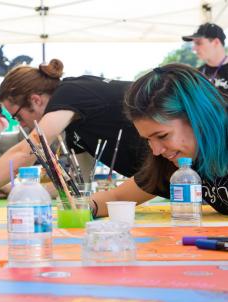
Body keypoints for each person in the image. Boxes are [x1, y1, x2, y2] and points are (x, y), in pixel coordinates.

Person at [0, 59, 147, 207]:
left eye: (17, 116)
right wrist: (29, 191)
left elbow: (24, 152)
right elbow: (76, 183)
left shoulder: (70, 93)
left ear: (36, 100)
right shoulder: (74, 122)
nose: (21, 124)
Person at [90, 63, 227, 217]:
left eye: (162, 136)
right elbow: (116, 198)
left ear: (198, 117)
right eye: (148, 139)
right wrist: (84, 207)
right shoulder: (180, 162)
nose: (156, 151)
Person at [182, 23, 228, 94]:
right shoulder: (196, 74)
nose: (194, 48)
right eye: (194, 44)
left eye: (198, 43)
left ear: (216, 42)